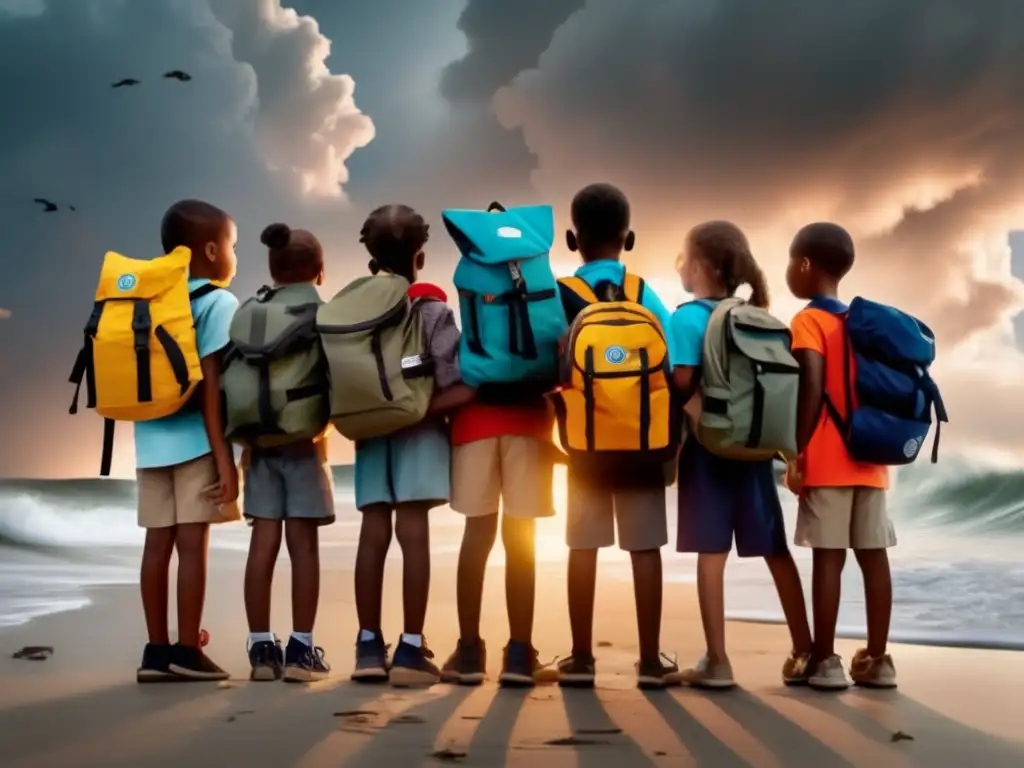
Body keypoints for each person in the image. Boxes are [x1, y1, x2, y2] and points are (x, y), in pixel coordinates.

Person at [670, 221, 813, 688]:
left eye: (684, 258)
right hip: (757, 451)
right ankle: (806, 651)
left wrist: (689, 411)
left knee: (711, 555)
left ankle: (718, 661)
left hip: (709, 448)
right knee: (775, 551)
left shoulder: (687, 318)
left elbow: (683, 380)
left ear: (701, 266)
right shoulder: (760, 315)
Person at [555, 182, 679, 689]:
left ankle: (582, 658)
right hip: (644, 444)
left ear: (571, 238)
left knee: (583, 548)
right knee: (644, 549)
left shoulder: (561, 294)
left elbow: (552, 364)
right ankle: (650, 660)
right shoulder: (645, 293)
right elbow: (671, 360)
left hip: (584, 447)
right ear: (628, 239)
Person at [351, 204, 470, 687]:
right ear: (420, 258)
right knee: (413, 531)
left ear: (370, 259)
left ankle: (366, 646)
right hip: (419, 431)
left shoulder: (352, 307)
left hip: (369, 430)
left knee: (373, 532)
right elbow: (453, 381)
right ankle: (411, 649)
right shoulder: (434, 311)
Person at [785, 222, 896, 690]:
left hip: (828, 455)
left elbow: (811, 385)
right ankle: (878, 659)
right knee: (873, 557)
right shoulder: (862, 323)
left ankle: (825, 661)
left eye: (792, 262)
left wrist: (795, 452)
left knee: (828, 557)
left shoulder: (808, 321)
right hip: (871, 456)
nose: (790, 271)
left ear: (806, 265)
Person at [135, 199, 240, 682]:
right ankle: (186, 648)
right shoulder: (218, 302)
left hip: (148, 442)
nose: (234, 255)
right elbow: (213, 389)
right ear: (213, 249)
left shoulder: (148, 300)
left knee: (157, 546)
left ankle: (155, 652)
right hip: (197, 442)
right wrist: (226, 460)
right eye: (233, 246)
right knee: (192, 546)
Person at [242, 223, 334, 683]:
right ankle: (301, 649)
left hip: (258, 446)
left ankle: (261, 649)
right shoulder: (323, 310)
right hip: (305, 446)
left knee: (262, 545)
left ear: (273, 270)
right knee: (303, 548)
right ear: (320, 270)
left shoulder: (253, 309)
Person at [440, 387, 558, 687]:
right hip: (529, 425)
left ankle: (468, 654)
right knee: (521, 539)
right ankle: (519, 655)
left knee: (476, 536)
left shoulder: (464, 334)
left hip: (473, 425)